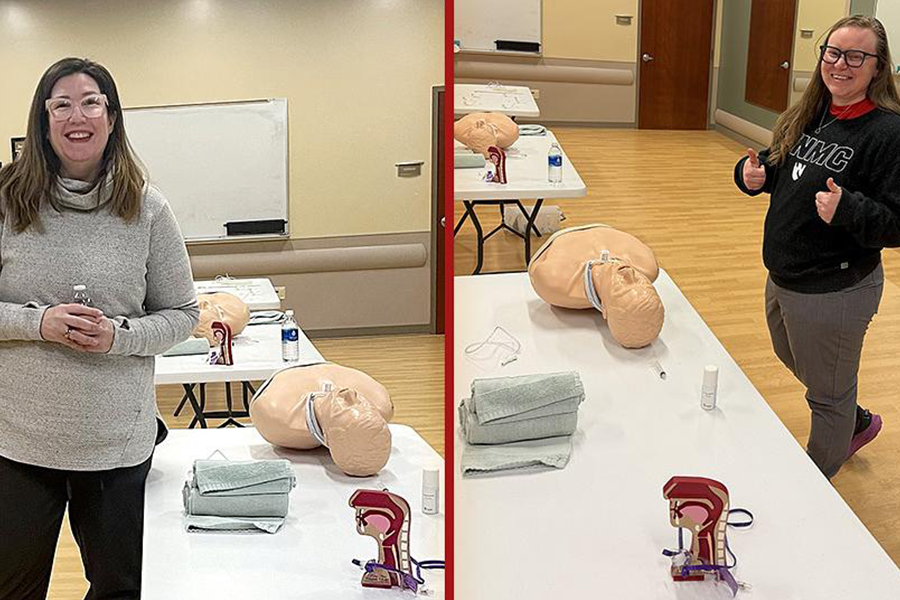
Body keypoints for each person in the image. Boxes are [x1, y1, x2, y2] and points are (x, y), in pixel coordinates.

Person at [0, 58, 199, 598]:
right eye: (60, 104)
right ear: (43, 122)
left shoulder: (148, 209)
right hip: (19, 444)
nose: (76, 114)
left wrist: (119, 337)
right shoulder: (6, 202)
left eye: (90, 101)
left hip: (115, 442)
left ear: (112, 118)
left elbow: (183, 313)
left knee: (116, 589)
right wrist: (38, 323)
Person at [734, 16, 900, 479]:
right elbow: (779, 166)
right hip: (787, 274)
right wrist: (753, 177)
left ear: (877, 67)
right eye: (832, 51)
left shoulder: (888, 133)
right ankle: (855, 418)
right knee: (793, 357)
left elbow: (896, 222)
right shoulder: (812, 112)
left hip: (836, 289)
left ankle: (817, 488)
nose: (840, 64)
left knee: (827, 397)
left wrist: (849, 209)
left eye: (855, 56)